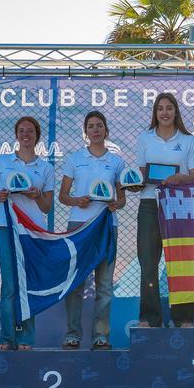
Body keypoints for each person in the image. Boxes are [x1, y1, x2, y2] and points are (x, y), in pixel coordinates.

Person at [0, 116, 56, 350]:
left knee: (28, 285)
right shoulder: (1, 161)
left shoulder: (46, 168)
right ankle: (6, 337)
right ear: (16, 135)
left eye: (30, 131)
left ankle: (25, 338)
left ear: (37, 136)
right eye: (22, 131)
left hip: (32, 233)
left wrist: (37, 196)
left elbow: (47, 207)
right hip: (6, 228)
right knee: (10, 286)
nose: (26, 135)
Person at [59, 111, 125, 350]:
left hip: (107, 226)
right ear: (85, 132)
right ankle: (72, 334)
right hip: (79, 226)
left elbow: (122, 200)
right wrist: (78, 201)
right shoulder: (74, 159)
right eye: (91, 126)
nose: (95, 130)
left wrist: (114, 204)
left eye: (99, 126)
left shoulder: (117, 161)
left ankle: (101, 336)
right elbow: (63, 196)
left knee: (104, 286)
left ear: (106, 131)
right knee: (76, 284)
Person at [134, 93, 194, 328]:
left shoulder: (189, 140)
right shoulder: (145, 139)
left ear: (176, 112)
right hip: (150, 204)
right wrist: (133, 181)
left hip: (179, 207)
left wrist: (178, 178)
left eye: (169, 108)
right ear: (155, 113)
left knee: (182, 263)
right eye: (160, 108)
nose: (164, 113)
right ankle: (150, 318)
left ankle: (184, 318)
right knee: (149, 264)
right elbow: (142, 174)